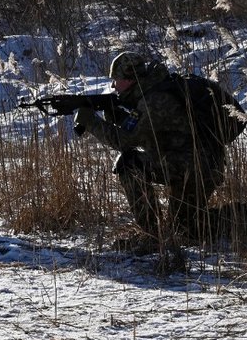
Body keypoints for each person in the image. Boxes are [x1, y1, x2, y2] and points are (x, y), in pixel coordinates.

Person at [73, 52, 227, 253]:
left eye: (116, 80)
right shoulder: (152, 92)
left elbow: (124, 141)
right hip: (195, 164)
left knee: (129, 164)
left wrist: (91, 121)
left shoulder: (155, 101)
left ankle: (152, 235)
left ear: (130, 80)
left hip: (196, 168)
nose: (113, 86)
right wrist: (116, 115)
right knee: (186, 229)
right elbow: (149, 134)